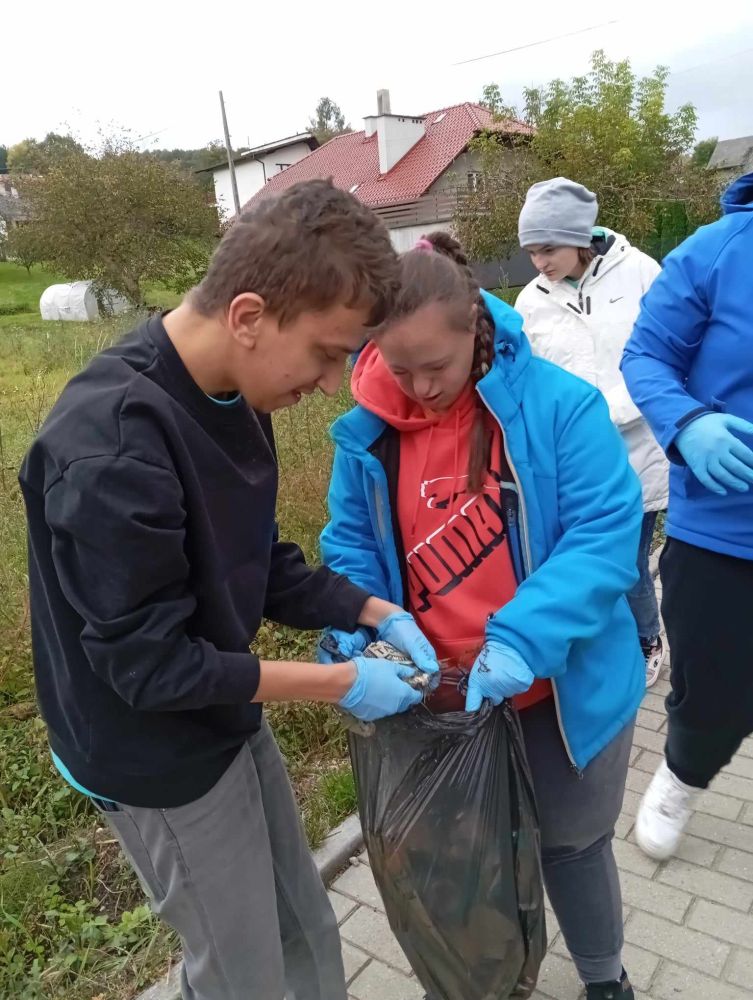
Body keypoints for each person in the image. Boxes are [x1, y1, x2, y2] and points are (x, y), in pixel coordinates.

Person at [18, 179, 440, 1000]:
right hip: (149, 750)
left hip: (222, 707)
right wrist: (342, 683)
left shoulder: (234, 390)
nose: (328, 385)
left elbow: (248, 554)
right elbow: (149, 668)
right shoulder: (110, 448)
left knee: (302, 923)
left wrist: (365, 607)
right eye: (325, 353)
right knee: (238, 970)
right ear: (248, 316)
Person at [319, 232, 645, 999]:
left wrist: (522, 640)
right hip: (438, 702)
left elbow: (604, 535)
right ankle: (481, 983)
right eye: (398, 370)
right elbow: (350, 547)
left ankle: (604, 981)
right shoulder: (367, 433)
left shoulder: (561, 407)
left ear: (477, 329)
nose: (419, 388)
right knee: (458, 857)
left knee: (569, 847)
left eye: (434, 367)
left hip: (557, 690)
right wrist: (356, 631)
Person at [622, 171, 753, 861]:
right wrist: (686, 423)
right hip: (725, 533)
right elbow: (645, 354)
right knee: (714, 692)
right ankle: (681, 772)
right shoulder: (716, 252)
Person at [515, 178, 669, 687]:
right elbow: (528, 379)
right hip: (577, 458)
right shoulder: (530, 302)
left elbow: (671, 348)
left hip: (637, 449)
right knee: (589, 559)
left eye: (548, 248)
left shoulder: (641, 272)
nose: (540, 262)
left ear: (580, 237)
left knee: (628, 565)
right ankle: (603, 646)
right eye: (532, 251)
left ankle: (647, 640)